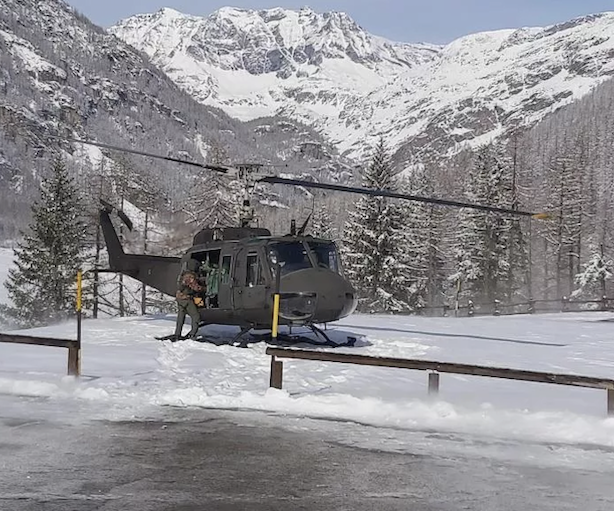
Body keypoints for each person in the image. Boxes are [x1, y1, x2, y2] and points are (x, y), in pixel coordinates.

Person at [173, 258, 206, 340]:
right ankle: (192, 333)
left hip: (180, 298)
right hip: (187, 299)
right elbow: (196, 288)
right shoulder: (191, 276)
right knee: (196, 316)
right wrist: (204, 289)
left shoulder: (183, 275)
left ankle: (177, 334)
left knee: (181, 317)